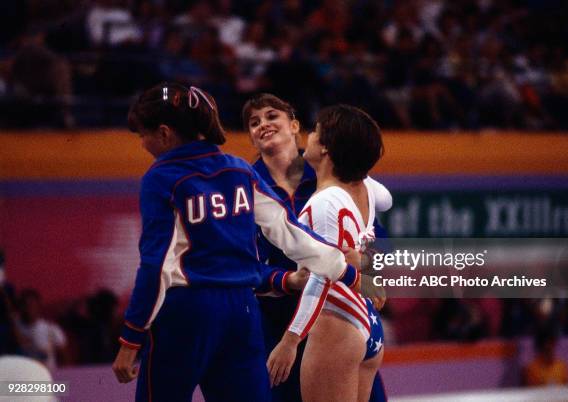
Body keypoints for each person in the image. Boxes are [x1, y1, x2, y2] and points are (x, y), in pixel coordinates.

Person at [112, 83, 357, 402]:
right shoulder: (240, 170)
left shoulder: (161, 177)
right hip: (242, 312)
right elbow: (290, 232)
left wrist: (131, 337)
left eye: (142, 135)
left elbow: (155, 266)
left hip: (187, 312)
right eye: (254, 121)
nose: (142, 143)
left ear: (164, 133)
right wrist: (348, 273)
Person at [243, 94, 389, 402]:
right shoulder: (244, 191)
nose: (264, 125)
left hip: (332, 319)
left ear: (294, 126)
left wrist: (367, 269)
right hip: (281, 320)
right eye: (254, 122)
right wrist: (286, 280)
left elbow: (373, 240)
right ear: (251, 138)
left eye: (272, 116)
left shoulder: (332, 183)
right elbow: (242, 265)